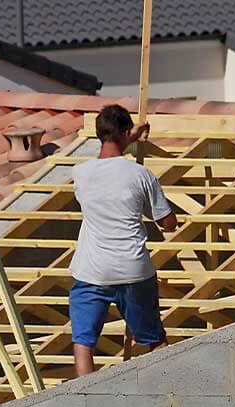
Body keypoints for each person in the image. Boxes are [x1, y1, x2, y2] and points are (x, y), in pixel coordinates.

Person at [68, 105, 177, 377]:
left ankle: (86, 402)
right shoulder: (140, 175)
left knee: (83, 342)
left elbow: (106, 167)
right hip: (133, 269)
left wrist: (127, 135)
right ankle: (167, 390)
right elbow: (167, 222)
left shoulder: (80, 174)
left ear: (98, 134)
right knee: (154, 339)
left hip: (92, 271)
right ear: (126, 132)